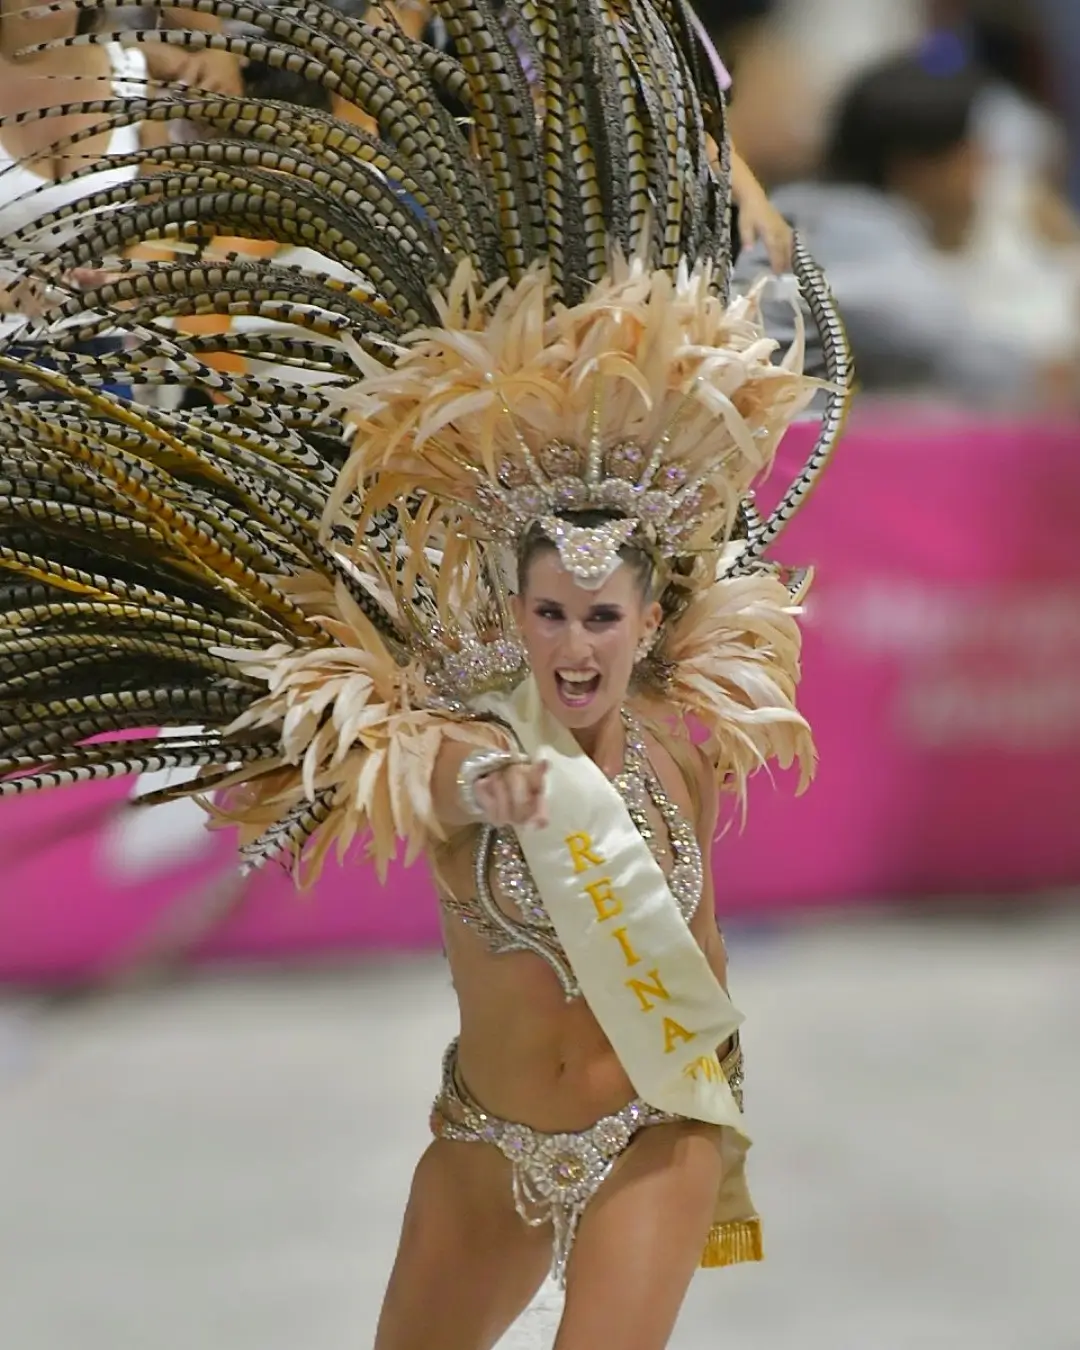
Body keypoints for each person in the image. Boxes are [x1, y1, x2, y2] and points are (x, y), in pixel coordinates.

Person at [0, 1, 851, 1346]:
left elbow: (704, 954)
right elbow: (446, 776)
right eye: (552, 615)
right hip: (485, 1150)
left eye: (604, 618)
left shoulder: (680, 704)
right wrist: (511, 784)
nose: (578, 645)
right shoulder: (438, 716)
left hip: (656, 1134)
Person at [740, 50, 1078, 404]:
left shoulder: (811, 208)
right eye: (971, 156)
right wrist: (1050, 372)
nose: (986, 170)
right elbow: (944, 345)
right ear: (915, 167)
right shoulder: (846, 229)